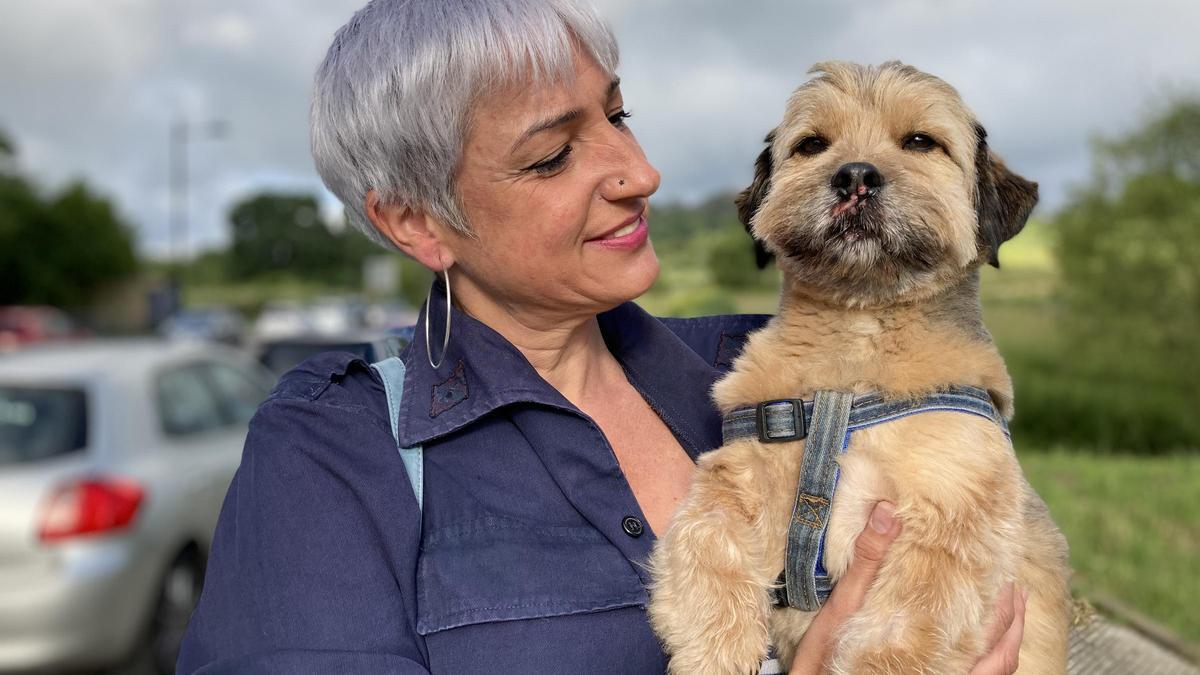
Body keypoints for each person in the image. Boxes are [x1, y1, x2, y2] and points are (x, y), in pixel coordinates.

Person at [176, 1, 1027, 673]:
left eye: (619, 116)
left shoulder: (759, 372)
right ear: (417, 220)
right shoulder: (328, 456)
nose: (640, 173)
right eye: (553, 156)